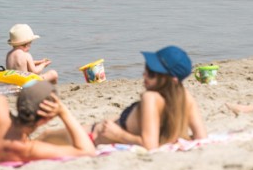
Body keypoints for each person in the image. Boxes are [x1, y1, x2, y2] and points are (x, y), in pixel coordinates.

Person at [49, 46, 205, 150]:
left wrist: (117, 134)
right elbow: (201, 138)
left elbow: (149, 145)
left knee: (44, 137)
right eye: (146, 68)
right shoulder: (185, 97)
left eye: (151, 72)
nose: (144, 74)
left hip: (91, 137)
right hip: (91, 135)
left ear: (170, 80)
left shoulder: (150, 98)